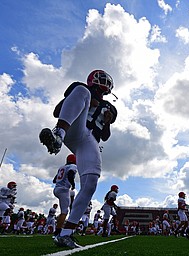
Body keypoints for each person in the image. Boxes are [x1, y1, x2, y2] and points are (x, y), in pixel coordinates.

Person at [39, 70, 117, 248]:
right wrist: (84, 100)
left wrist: (107, 122)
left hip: (90, 141)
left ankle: (66, 234)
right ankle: (57, 135)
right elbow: (57, 111)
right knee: (82, 91)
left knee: (90, 183)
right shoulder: (83, 90)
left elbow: (105, 137)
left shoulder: (111, 109)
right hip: (74, 128)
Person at [52, 154, 77, 237]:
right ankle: (58, 231)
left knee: (64, 210)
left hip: (56, 189)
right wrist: (73, 184)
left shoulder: (61, 167)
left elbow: (54, 180)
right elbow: (70, 175)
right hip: (63, 190)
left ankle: (59, 225)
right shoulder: (73, 166)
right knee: (65, 211)